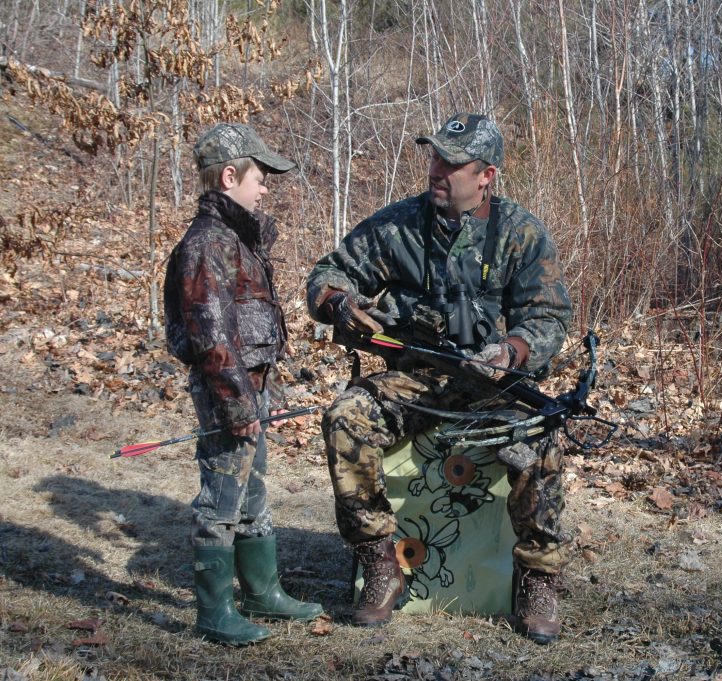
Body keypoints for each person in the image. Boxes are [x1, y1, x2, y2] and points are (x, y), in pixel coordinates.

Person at [306, 112, 573, 644]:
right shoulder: (398, 224)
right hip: (416, 382)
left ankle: (539, 577)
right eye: (434, 158)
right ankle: (380, 561)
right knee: (345, 418)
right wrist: (341, 305)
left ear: (486, 176)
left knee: (543, 434)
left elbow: (548, 319)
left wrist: (512, 350)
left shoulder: (520, 233)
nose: (437, 171)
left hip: (491, 386)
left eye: (452, 164)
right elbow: (326, 274)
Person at [164, 122, 323, 645]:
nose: (266, 187)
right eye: (260, 176)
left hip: (254, 383)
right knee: (222, 497)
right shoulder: (208, 244)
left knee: (252, 489)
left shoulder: (236, 238)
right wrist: (235, 403)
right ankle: (215, 613)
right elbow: (211, 335)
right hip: (229, 390)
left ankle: (262, 593)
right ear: (230, 176)